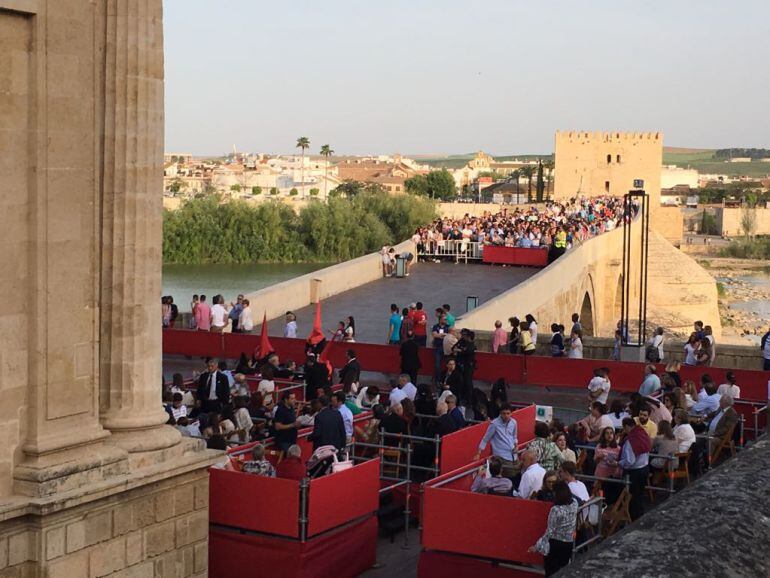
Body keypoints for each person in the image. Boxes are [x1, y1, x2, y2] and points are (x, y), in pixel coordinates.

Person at [529, 480, 578, 577]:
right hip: (568, 543)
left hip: (555, 544)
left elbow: (549, 531)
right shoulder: (574, 503)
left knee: (551, 572)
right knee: (562, 571)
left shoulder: (555, 510)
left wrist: (537, 546)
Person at [618, 417, 651, 520]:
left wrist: (618, 463)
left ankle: (633, 518)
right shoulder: (642, 433)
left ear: (627, 426)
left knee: (632, 497)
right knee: (640, 495)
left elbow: (629, 461)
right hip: (644, 468)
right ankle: (639, 515)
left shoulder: (630, 441)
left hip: (635, 472)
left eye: (624, 428)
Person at [476, 403, 517, 478]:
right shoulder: (494, 424)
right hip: (501, 456)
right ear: (500, 413)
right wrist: (478, 453)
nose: (506, 416)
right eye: (504, 413)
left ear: (511, 413)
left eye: (508, 413)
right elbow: (485, 439)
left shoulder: (513, 422)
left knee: (515, 476)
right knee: (510, 477)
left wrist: (516, 446)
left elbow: (514, 437)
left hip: (513, 455)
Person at [431, 313, 449, 382]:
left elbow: (449, 335)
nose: (446, 320)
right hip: (438, 347)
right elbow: (435, 335)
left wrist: (441, 335)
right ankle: (437, 379)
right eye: (444, 319)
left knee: (447, 364)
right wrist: (443, 335)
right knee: (437, 365)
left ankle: (444, 379)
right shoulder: (436, 326)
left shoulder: (448, 326)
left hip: (445, 348)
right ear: (440, 319)